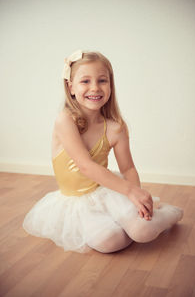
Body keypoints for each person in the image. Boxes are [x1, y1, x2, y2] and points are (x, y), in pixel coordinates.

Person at [23, 50, 183, 254]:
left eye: (102, 80)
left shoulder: (115, 128)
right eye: (85, 81)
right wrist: (130, 191)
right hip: (77, 203)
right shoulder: (65, 120)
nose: (95, 88)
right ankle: (123, 226)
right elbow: (85, 166)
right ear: (71, 87)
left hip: (108, 191)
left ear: (110, 85)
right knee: (110, 242)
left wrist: (136, 201)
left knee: (142, 231)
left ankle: (170, 214)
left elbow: (128, 168)